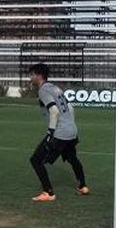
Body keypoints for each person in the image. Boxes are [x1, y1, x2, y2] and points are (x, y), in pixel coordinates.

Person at [27, 63, 88, 202]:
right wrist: (70, 125)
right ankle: (83, 186)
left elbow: (54, 111)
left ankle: (48, 192)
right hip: (71, 130)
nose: (30, 78)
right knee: (72, 158)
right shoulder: (55, 88)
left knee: (36, 160)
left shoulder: (43, 90)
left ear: (38, 75)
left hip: (60, 132)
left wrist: (50, 133)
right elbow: (70, 108)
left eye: (32, 75)